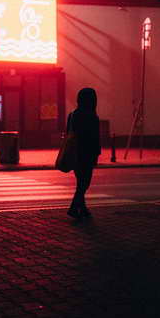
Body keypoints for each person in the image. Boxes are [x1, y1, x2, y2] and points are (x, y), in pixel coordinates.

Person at [66, 87, 101, 219]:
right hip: (87, 154)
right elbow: (95, 138)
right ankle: (74, 208)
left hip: (75, 153)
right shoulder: (92, 116)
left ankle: (83, 208)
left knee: (81, 181)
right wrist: (97, 154)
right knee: (84, 183)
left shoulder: (73, 115)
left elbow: (68, 134)